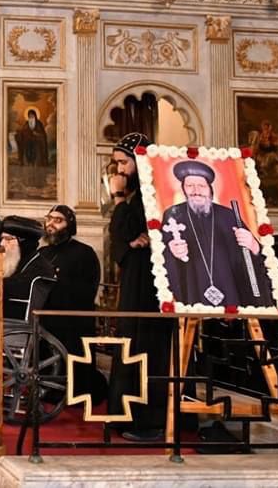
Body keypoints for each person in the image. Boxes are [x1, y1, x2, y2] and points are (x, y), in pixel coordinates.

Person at [106, 132, 171, 441]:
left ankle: (149, 420)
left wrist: (118, 199)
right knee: (131, 342)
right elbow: (122, 239)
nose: (119, 170)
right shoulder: (138, 194)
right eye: (116, 163)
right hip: (136, 280)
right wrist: (129, 243)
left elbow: (130, 232)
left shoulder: (152, 193)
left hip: (151, 286)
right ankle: (126, 415)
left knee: (149, 347)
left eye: (123, 162)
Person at [162, 160, 272, 308]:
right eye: (189, 185)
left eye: (201, 186)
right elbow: (162, 254)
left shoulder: (228, 216)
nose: (196, 190)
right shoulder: (173, 215)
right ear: (183, 189)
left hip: (230, 292)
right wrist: (172, 252)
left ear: (210, 189)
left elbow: (250, 261)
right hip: (193, 290)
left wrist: (254, 246)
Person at [38, 205, 107, 401]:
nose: (51, 224)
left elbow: (88, 289)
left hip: (73, 321)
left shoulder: (84, 253)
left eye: (58, 220)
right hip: (46, 319)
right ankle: (48, 391)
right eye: (49, 219)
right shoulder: (42, 252)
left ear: (69, 225)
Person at [1, 216, 56, 322]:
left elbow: (16, 288)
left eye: (8, 239)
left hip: (20, 327)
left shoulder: (41, 268)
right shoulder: (15, 261)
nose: (2, 244)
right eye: (2, 238)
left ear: (24, 242)